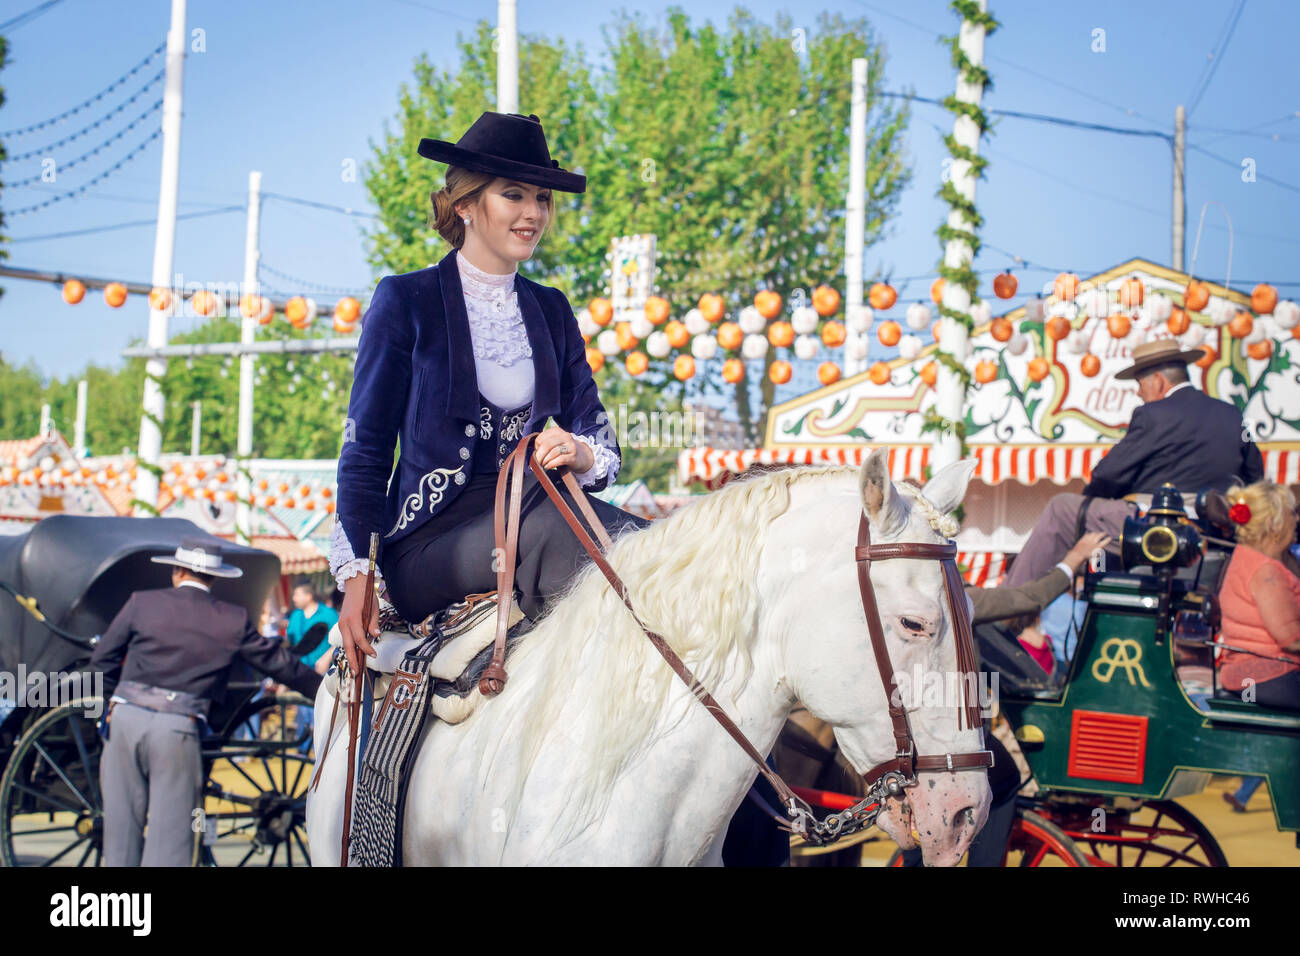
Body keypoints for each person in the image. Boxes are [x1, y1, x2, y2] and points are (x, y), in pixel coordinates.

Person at [331, 111, 648, 672]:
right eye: (514, 195)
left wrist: (580, 451)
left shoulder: (551, 309)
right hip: (431, 543)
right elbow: (366, 451)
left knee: (660, 545)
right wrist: (357, 572)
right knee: (552, 529)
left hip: (535, 509)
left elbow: (598, 432)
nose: (534, 213)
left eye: (543, 199)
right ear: (466, 205)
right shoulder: (406, 300)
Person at [90, 538, 322, 866]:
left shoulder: (142, 603)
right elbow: (278, 664)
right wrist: (325, 689)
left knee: (120, 836)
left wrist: (107, 707)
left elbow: (102, 659)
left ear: (176, 571)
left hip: (126, 717)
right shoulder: (230, 618)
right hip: (178, 725)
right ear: (214, 577)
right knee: (169, 839)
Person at [1004, 338, 1263, 588]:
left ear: (1159, 382)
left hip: (1156, 528)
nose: (1138, 393)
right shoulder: (1231, 414)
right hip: (1213, 533)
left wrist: (1094, 507)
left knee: (1062, 508)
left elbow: (1108, 475)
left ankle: (1008, 606)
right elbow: (1255, 477)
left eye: (1140, 385)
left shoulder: (1153, 414)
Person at [1216, 480, 1300, 710]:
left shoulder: (1244, 556)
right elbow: (1292, 640)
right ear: (1274, 523)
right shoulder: (1267, 572)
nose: (1297, 520)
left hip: (1248, 676)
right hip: (1271, 676)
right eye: (1292, 513)